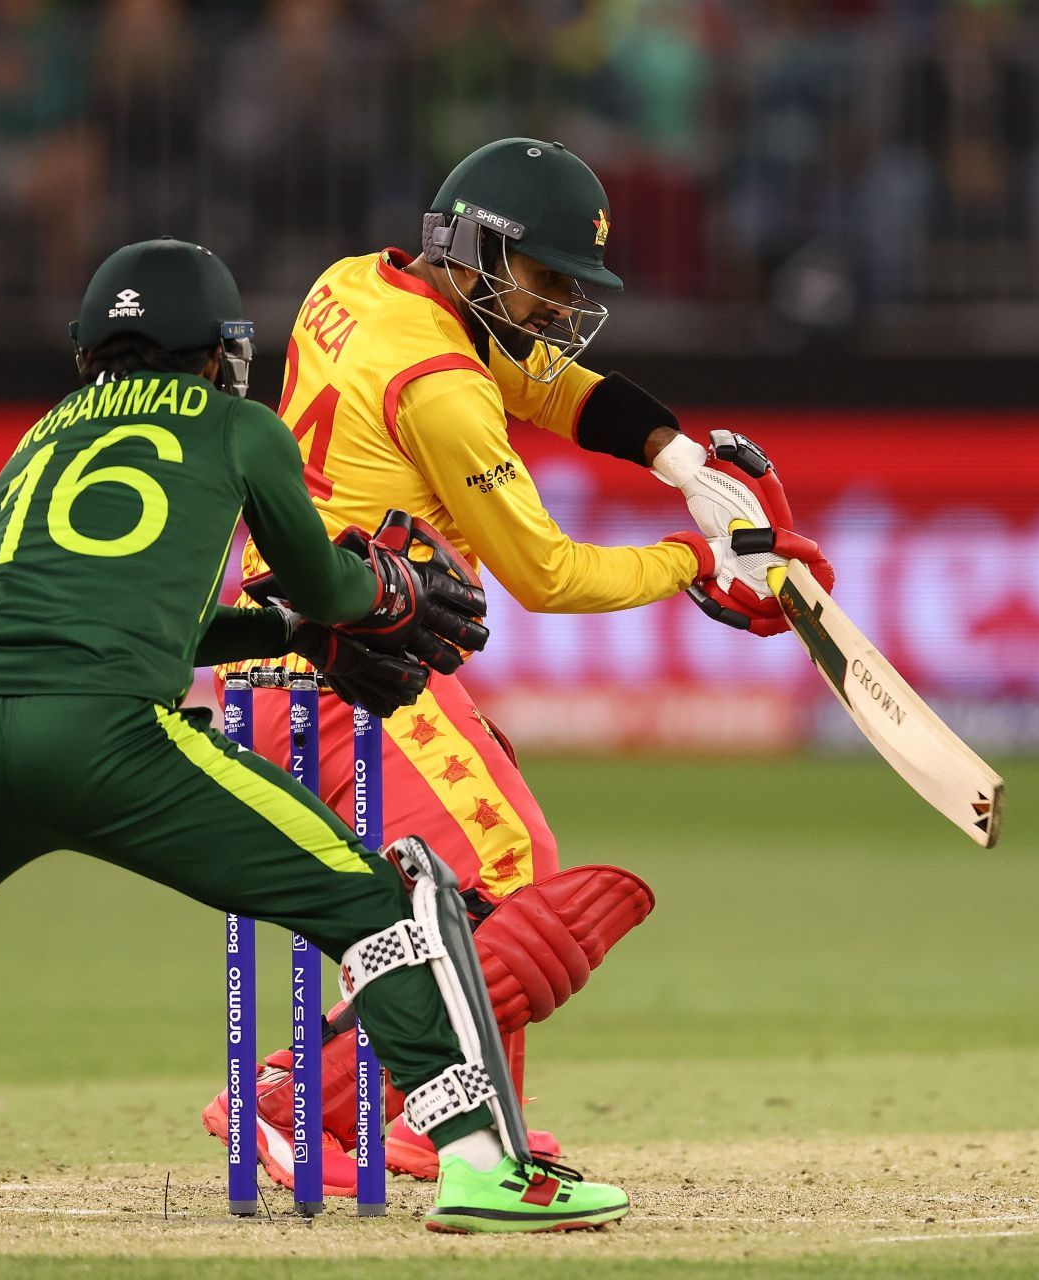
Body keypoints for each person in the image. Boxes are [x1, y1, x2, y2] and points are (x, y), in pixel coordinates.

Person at [0, 237, 631, 1235]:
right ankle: (482, 1167)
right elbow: (334, 584)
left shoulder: (39, 439)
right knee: (379, 904)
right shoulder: (242, 428)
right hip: (109, 736)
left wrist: (286, 633)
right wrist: (389, 590)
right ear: (218, 350)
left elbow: (135, 613)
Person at [200, 137, 833, 1195]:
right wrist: (695, 559)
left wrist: (678, 461)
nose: (559, 308)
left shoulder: (357, 282)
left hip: (303, 653)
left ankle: (452, 1112)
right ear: (471, 249)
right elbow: (545, 573)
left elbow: (553, 387)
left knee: (485, 853)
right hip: (345, 666)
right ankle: (293, 1097)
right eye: (545, 279)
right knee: (508, 864)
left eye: (574, 286)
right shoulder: (439, 381)